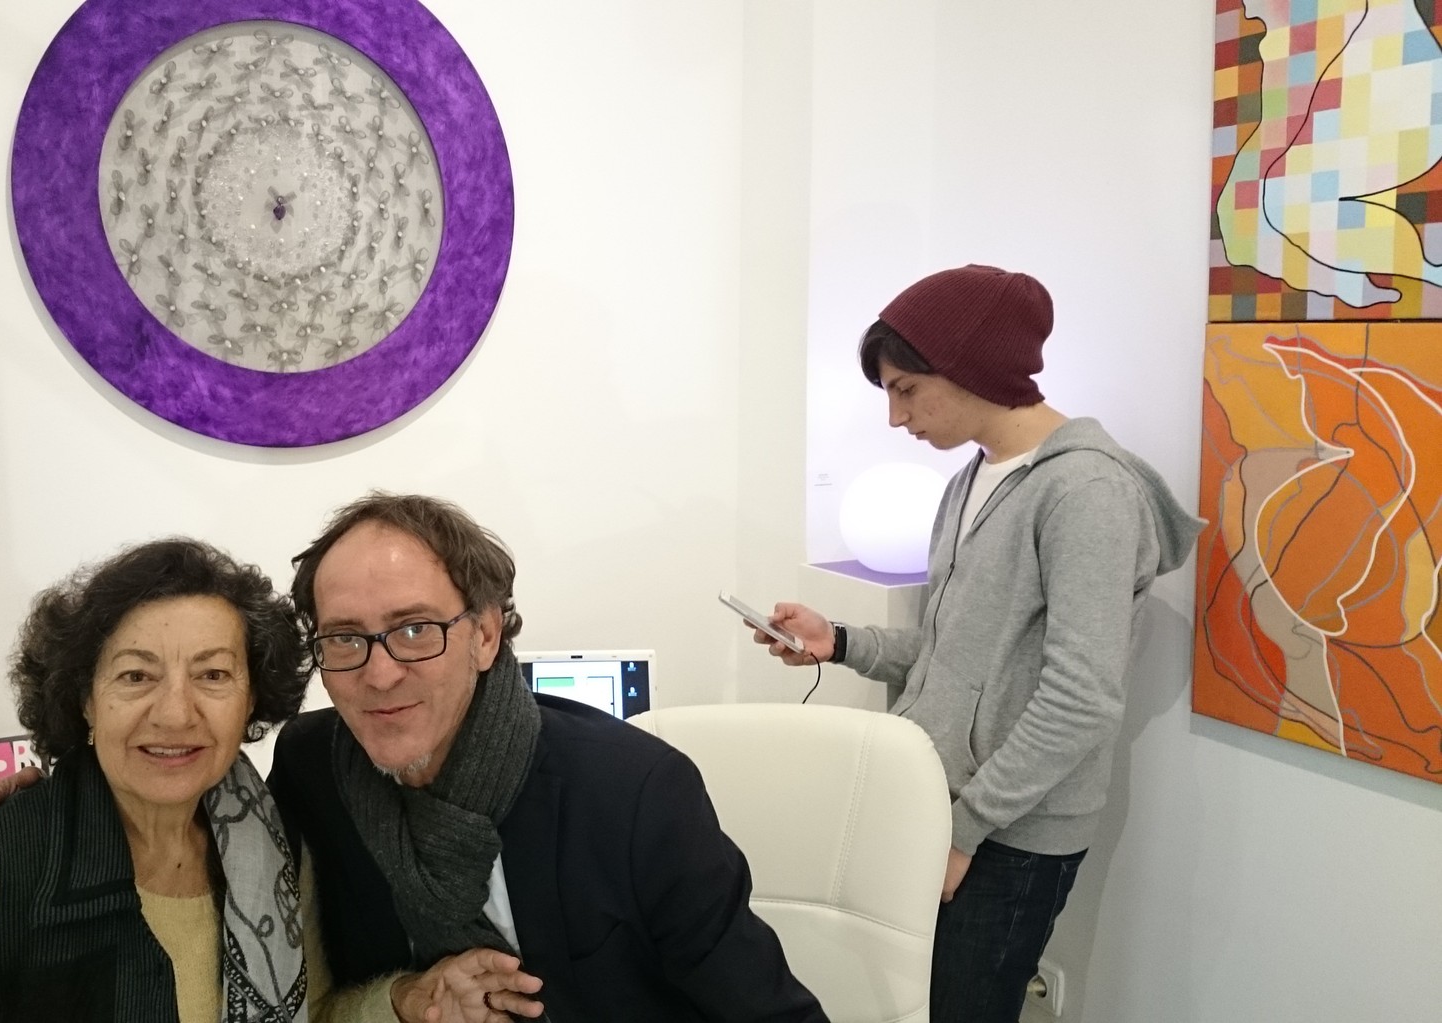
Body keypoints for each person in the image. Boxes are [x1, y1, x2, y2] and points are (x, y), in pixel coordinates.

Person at [755, 265, 1204, 1023]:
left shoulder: (1087, 493)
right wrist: (839, 642)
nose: (896, 417)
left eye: (906, 390)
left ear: (970, 367)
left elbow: (1081, 699)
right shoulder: (971, 480)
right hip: (939, 801)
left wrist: (963, 830)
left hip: (1010, 832)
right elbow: (955, 654)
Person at [270, 492, 828, 1023]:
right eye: (344, 637)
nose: (380, 674)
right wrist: (403, 997)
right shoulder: (313, 769)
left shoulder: (633, 793)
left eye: (416, 630)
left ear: (486, 635)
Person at [0, 538, 320, 1022]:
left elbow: (319, 1011)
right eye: (136, 676)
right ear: (85, 701)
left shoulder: (277, 854)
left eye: (213, 675)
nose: (175, 714)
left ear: (251, 699)